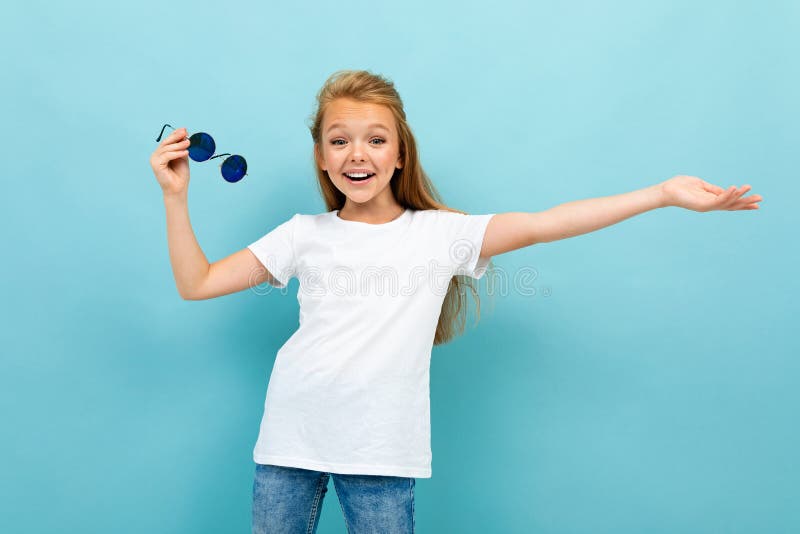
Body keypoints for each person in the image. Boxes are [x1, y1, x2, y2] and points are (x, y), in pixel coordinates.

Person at [148, 70, 762, 534]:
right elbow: (196, 282)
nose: (356, 154)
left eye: (374, 139)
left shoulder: (440, 235)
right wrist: (177, 197)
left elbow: (548, 222)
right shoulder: (301, 234)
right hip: (289, 437)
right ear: (322, 156)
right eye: (339, 141)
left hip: (381, 450)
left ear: (400, 152)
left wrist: (660, 193)